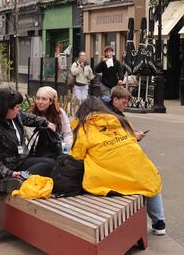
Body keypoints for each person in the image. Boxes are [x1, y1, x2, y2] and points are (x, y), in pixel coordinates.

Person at [0, 88, 57, 251]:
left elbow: (29, 118)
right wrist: (7, 172)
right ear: (6, 108)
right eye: (16, 107)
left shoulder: (15, 116)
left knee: (50, 163)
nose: (19, 110)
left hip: (16, 162)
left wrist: (46, 123)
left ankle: (19, 179)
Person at [70, 97, 166, 235]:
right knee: (151, 181)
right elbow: (132, 139)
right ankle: (159, 223)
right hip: (137, 169)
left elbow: (76, 156)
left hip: (109, 178)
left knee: (89, 172)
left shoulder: (83, 127)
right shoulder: (119, 120)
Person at [28, 86, 73, 157]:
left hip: (60, 150)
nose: (40, 102)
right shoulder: (31, 116)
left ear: (51, 101)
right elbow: (35, 141)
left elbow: (67, 134)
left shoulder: (60, 113)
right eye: (37, 98)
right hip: (41, 153)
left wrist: (65, 151)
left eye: (44, 99)